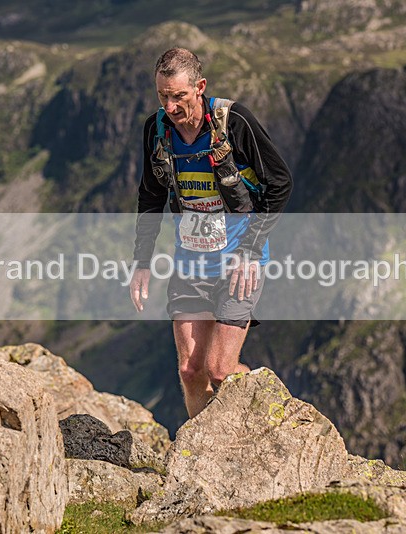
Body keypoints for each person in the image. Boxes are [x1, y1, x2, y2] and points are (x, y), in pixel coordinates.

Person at [129, 47, 292, 418]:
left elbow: (280, 182)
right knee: (191, 371)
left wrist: (250, 251)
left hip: (239, 262)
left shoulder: (234, 122)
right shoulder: (156, 130)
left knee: (220, 371)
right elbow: (150, 195)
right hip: (190, 262)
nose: (170, 107)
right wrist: (142, 262)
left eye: (179, 96)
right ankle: (200, 449)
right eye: (163, 96)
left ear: (199, 87)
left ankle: (268, 417)